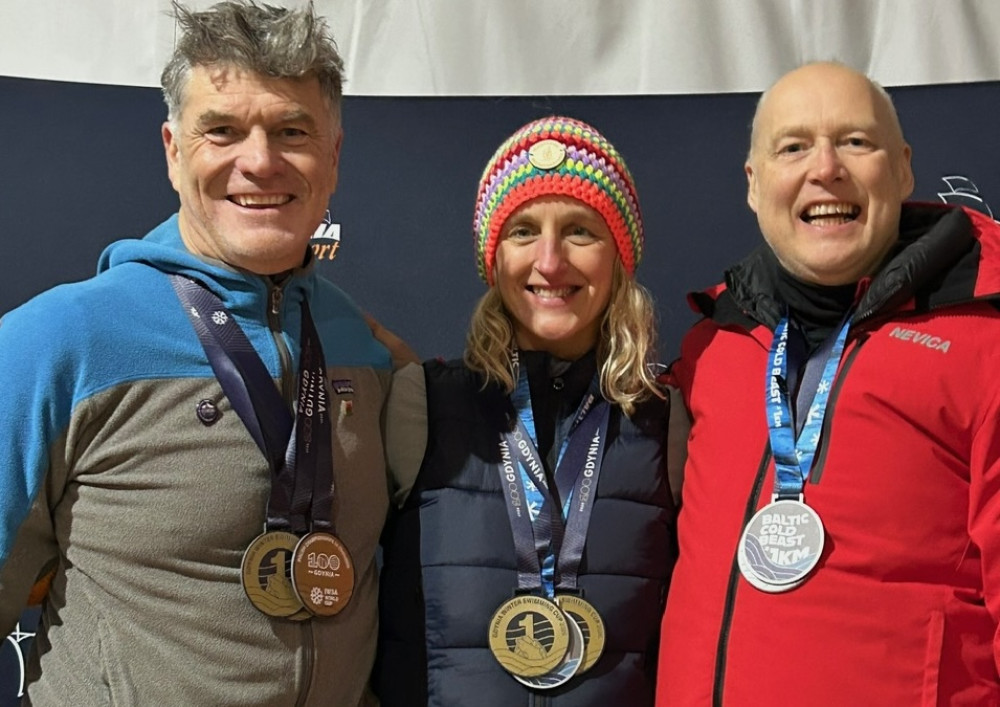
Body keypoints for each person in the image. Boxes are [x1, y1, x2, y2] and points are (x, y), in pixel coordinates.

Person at [0, 1, 411, 704]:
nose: (260, 161)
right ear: (173, 150)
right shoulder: (57, 341)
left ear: (333, 157)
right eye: (222, 130)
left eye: (292, 131)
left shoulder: (366, 350)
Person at [656, 61, 1000, 705]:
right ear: (755, 185)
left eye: (855, 142)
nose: (825, 168)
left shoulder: (987, 347)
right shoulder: (713, 349)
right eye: (794, 147)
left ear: (902, 169)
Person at [375, 116, 684, 706]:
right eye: (522, 231)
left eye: (579, 232)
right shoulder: (423, 403)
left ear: (619, 257)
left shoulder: (666, 425)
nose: (550, 261)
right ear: (493, 261)